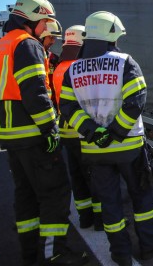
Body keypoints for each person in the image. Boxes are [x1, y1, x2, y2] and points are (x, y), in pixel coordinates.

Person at [59, 11, 153, 265]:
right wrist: (116, 133)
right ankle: (151, 245)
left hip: (95, 151)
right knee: (141, 197)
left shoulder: (72, 69)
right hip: (128, 146)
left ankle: (120, 254)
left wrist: (94, 133)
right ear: (111, 34)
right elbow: (136, 101)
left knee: (109, 204)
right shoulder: (124, 62)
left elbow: (66, 108)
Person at [0, 0, 88, 265]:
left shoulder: (1, 47)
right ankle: (55, 253)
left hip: (11, 137)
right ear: (32, 18)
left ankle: (31, 253)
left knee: (26, 198)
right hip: (33, 135)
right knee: (54, 194)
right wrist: (50, 129)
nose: (48, 30)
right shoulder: (27, 45)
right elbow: (35, 91)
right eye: (46, 22)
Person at [52, 25, 102, 231]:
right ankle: (101, 220)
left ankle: (85, 217)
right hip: (82, 130)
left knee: (78, 177)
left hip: (65, 130)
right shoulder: (79, 67)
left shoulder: (59, 67)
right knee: (96, 177)